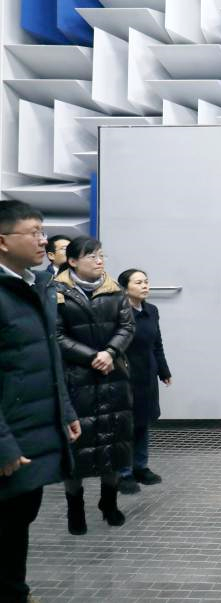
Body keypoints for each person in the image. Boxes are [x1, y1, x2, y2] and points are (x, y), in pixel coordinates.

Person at [0, 201, 80, 603]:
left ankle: (16, 591)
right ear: (2, 241)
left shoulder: (37, 285)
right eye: (33, 232)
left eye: (42, 230)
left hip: (30, 430)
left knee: (19, 519)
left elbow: (49, 358)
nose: (43, 240)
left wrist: (65, 410)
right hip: (8, 437)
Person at [54, 236, 135, 535]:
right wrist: (92, 357)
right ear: (73, 261)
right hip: (76, 379)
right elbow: (55, 335)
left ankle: (109, 503)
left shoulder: (114, 290)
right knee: (77, 448)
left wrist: (110, 352)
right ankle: (75, 508)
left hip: (112, 376)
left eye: (101, 255)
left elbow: (127, 326)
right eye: (91, 256)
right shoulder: (56, 292)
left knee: (113, 442)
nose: (99, 261)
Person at [116, 269, 172, 496]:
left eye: (146, 282)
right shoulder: (118, 312)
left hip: (147, 374)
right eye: (138, 282)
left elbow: (157, 343)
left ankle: (140, 466)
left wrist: (163, 370)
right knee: (125, 426)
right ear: (125, 288)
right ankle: (124, 473)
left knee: (143, 422)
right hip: (125, 375)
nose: (145, 286)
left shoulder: (151, 311)